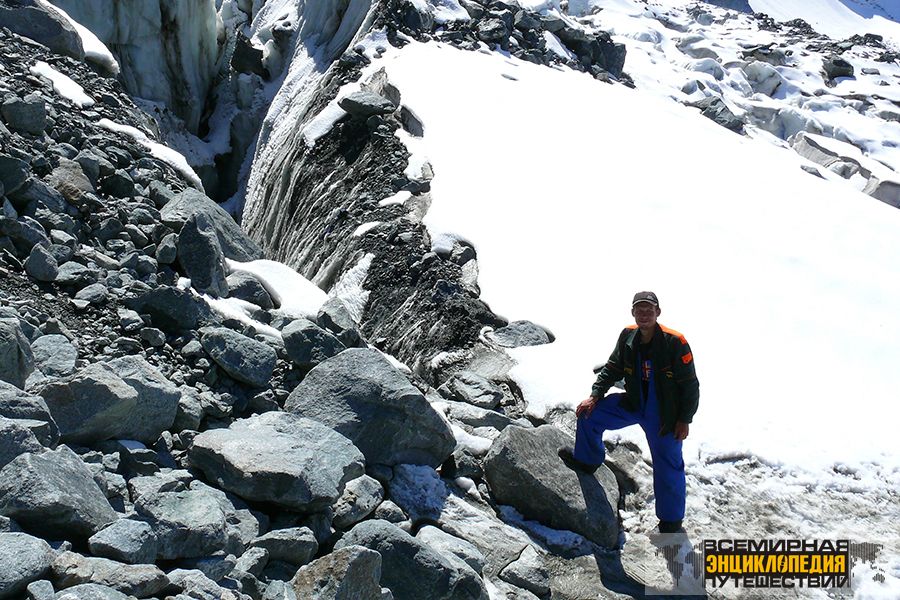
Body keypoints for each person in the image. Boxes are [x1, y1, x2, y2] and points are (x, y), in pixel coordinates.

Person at [559, 291, 699, 534]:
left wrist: (684, 419)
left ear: (658, 312)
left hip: (663, 413)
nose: (644, 314)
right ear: (633, 312)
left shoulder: (675, 342)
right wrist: (595, 396)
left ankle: (671, 522)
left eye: (649, 309)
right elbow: (612, 368)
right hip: (634, 402)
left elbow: (690, 385)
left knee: (668, 464)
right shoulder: (628, 336)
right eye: (639, 309)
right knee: (588, 415)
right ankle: (587, 460)